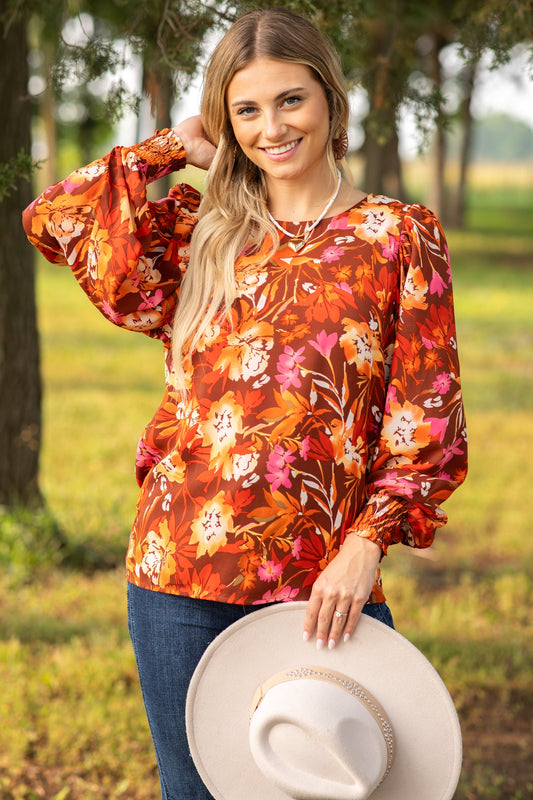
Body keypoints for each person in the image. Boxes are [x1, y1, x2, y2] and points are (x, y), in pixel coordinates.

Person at [23, 7, 467, 799]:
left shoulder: (396, 237)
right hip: (177, 577)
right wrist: (172, 147)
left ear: (330, 98)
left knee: (347, 782)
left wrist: (365, 545)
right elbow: (55, 219)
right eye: (247, 110)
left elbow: (425, 421)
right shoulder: (199, 233)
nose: (272, 128)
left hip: (323, 585)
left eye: (291, 100)